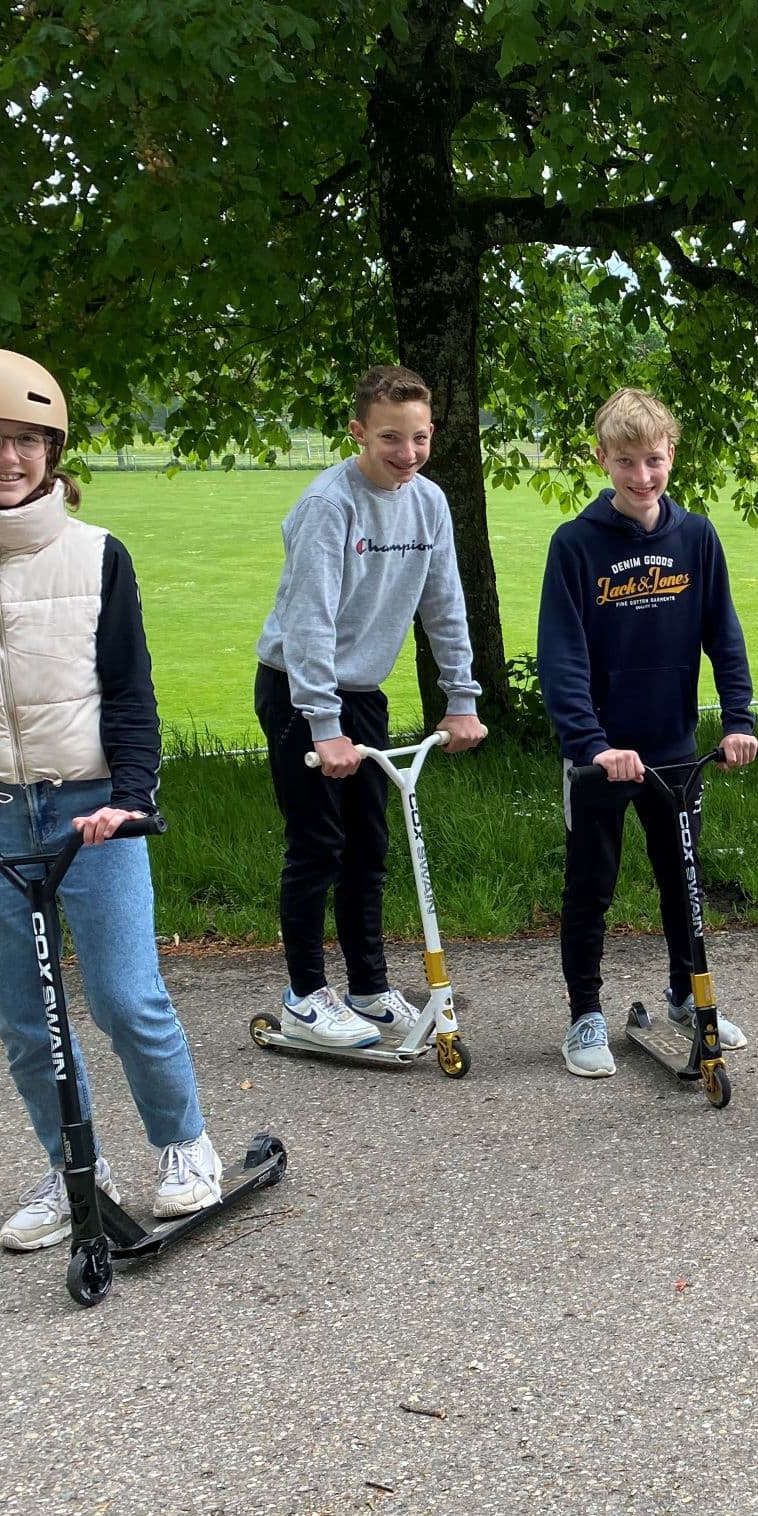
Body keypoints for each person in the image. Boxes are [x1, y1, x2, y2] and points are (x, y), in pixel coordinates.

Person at [0, 347, 226, 1249]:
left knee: (123, 995)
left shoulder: (97, 554)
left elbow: (132, 694)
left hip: (89, 806)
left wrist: (132, 797)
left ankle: (186, 1147)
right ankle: (76, 1169)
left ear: (53, 450)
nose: (8, 456)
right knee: (28, 1017)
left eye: (27, 439)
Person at [254, 364, 486, 1049]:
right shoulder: (331, 504)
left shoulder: (430, 502)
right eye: (390, 438)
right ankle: (303, 994)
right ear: (359, 432)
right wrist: (323, 725)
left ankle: (366, 984)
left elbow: (444, 603)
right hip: (301, 689)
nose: (407, 454)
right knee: (318, 845)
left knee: (369, 845)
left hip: (363, 693)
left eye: (419, 438)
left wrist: (461, 696)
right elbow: (310, 620)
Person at [539, 388, 758, 1077]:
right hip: (600, 757)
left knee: (681, 880)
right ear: (602, 458)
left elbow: (723, 634)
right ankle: (584, 1016)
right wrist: (592, 744)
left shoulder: (695, 537)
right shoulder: (575, 546)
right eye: (626, 462)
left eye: (654, 461)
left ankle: (687, 997)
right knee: (592, 886)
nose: (641, 477)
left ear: (672, 455)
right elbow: (562, 655)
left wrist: (739, 719)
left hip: (672, 752)